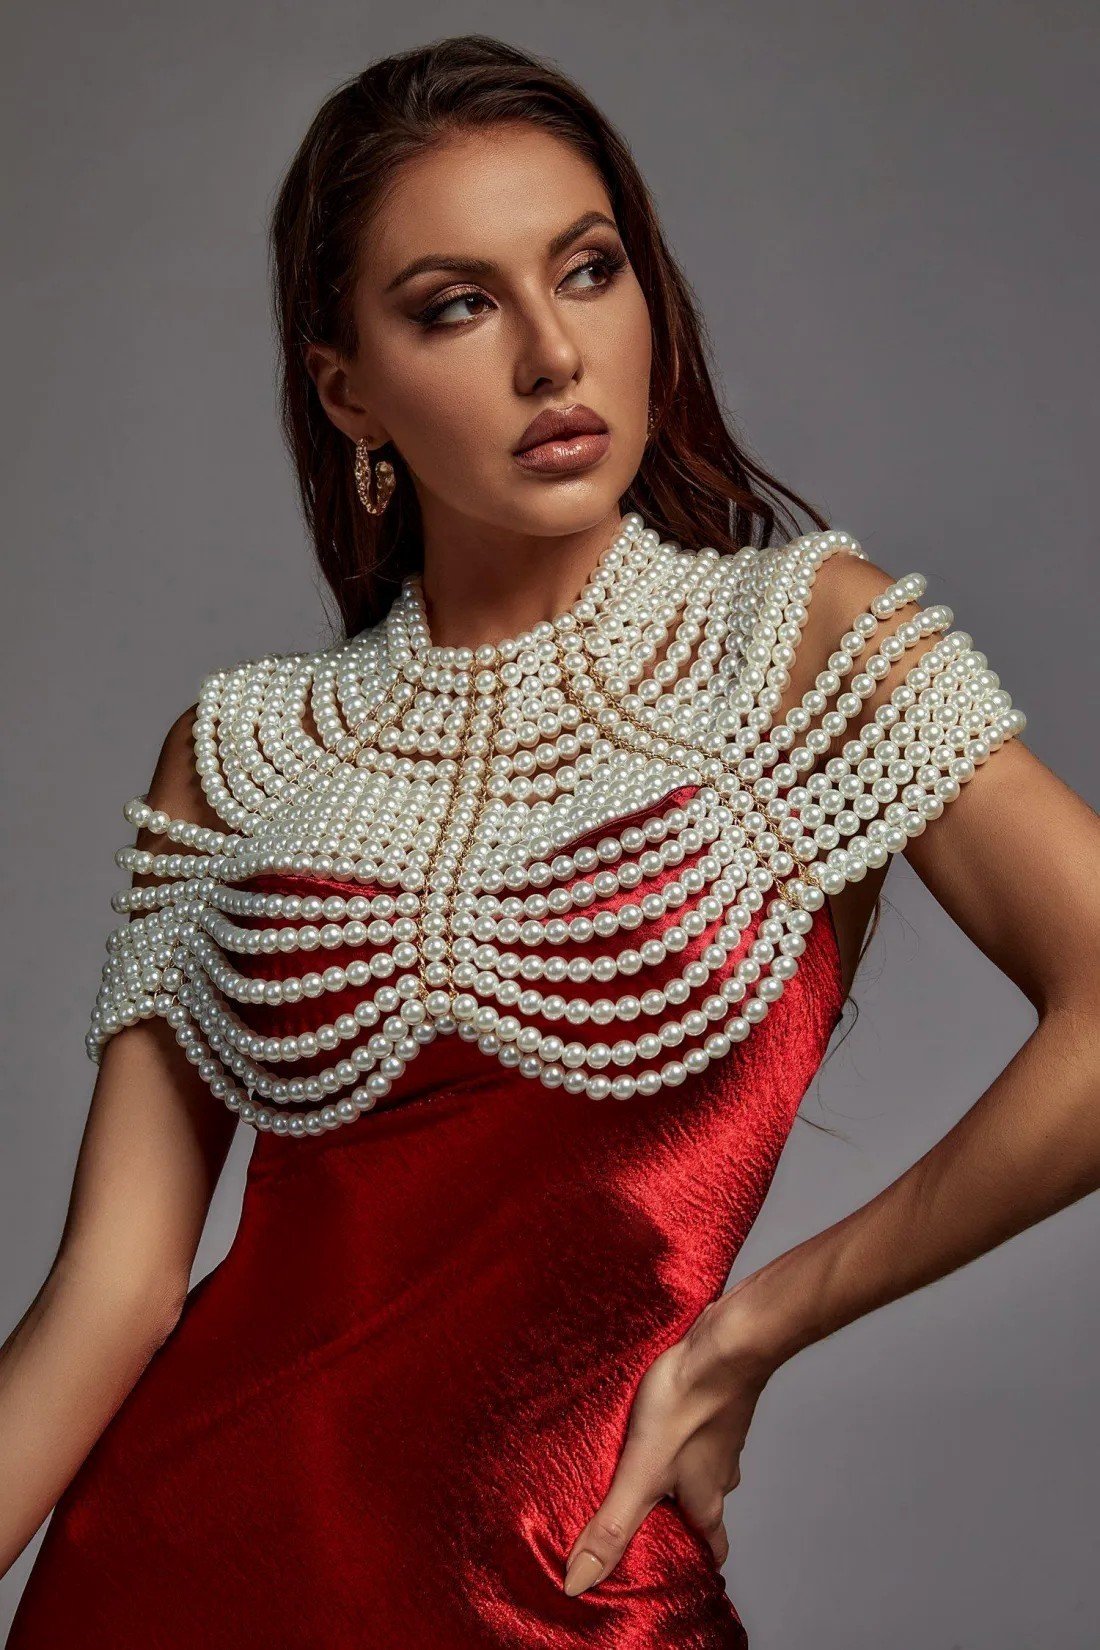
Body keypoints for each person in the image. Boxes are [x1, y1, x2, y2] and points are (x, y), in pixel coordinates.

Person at [3, 34, 1098, 1650]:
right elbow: (114, 1291)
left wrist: (752, 1331)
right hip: (164, 1581)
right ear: (347, 389)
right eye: (457, 305)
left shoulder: (803, 644)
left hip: (555, 1591)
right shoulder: (236, 750)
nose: (552, 353)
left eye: (588, 269)